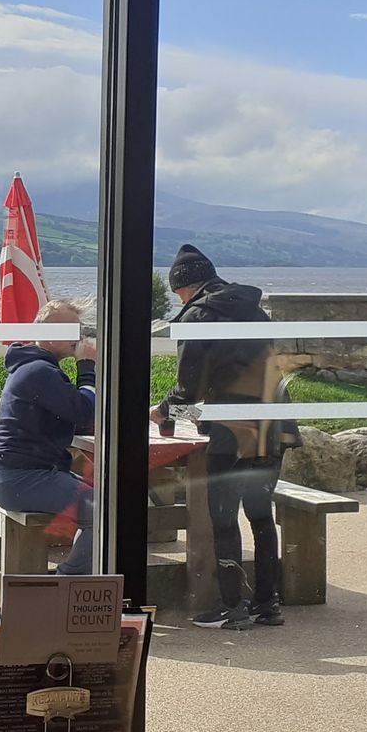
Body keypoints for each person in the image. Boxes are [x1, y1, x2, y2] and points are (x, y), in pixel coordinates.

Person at [154, 244, 298, 629]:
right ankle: (267, 604)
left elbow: (191, 390)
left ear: (186, 286)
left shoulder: (197, 316)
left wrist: (163, 413)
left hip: (231, 430)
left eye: (177, 292)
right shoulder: (254, 311)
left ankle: (232, 607)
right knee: (261, 516)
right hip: (272, 425)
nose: (177, 299)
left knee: (223, 518)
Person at [0, 299, 100, 575]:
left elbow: (78, 417)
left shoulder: (36, 368)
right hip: (24, 480)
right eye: (69, 330)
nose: (77, 338)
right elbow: (85, 413)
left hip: (23, 475)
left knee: (106, 499)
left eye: (78, 330)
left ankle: (86, 574)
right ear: (46, 334)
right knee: (104, 511)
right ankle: (68, 581)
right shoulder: (40, 372)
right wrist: (87, 368)